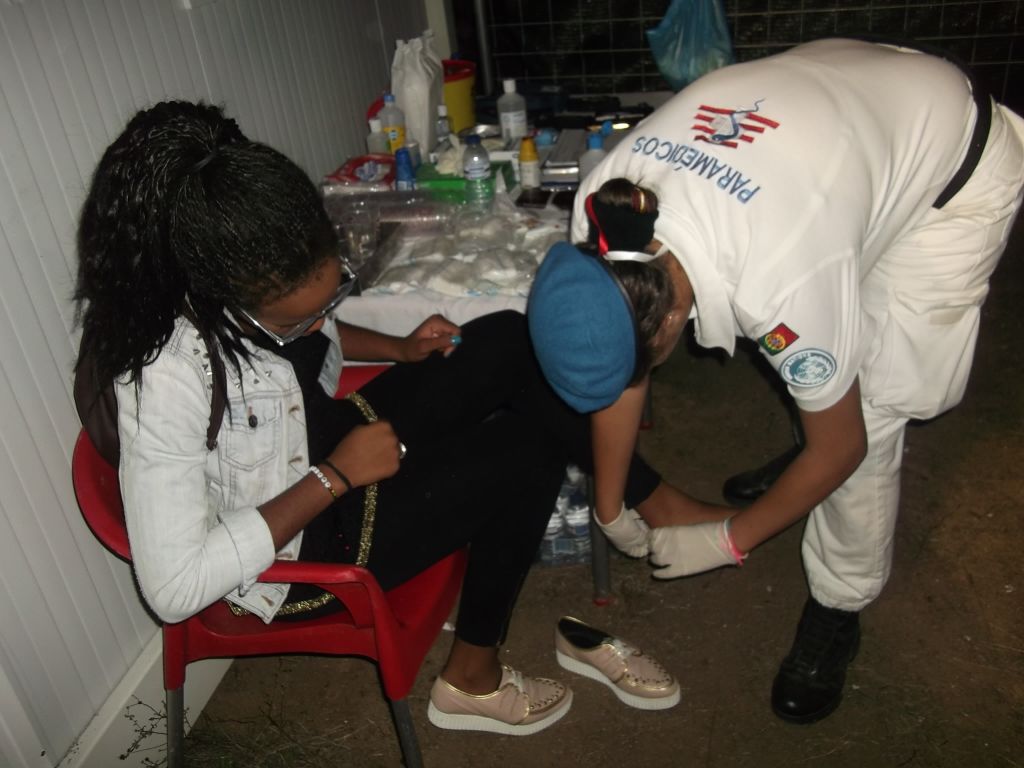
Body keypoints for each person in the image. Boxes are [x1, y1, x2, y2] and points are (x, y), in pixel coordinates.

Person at [73, 100, 693, 736]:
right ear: (225, 289)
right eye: (303, 317)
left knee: (509, 337)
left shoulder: (225, 257)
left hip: (325, 440)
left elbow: (302, 338)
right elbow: (174, 587)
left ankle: (651, 499)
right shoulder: (163, 374)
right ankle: (472, 680)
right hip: (302, 552)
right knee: (526, 452)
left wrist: (398, 348)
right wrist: (335, 478)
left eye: (332, 295)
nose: (323, 320)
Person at [527, 37, 1024, 724]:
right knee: (828, 371)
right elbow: (620, 361)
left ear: (670, 322)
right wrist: (611, 505)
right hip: (838, 117)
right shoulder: (605, 216)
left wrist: (730, 539)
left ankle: (839, 602)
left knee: (879, 405)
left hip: (952, 164)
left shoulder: (781, 276)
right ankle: (811, 437)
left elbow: (845, 445)